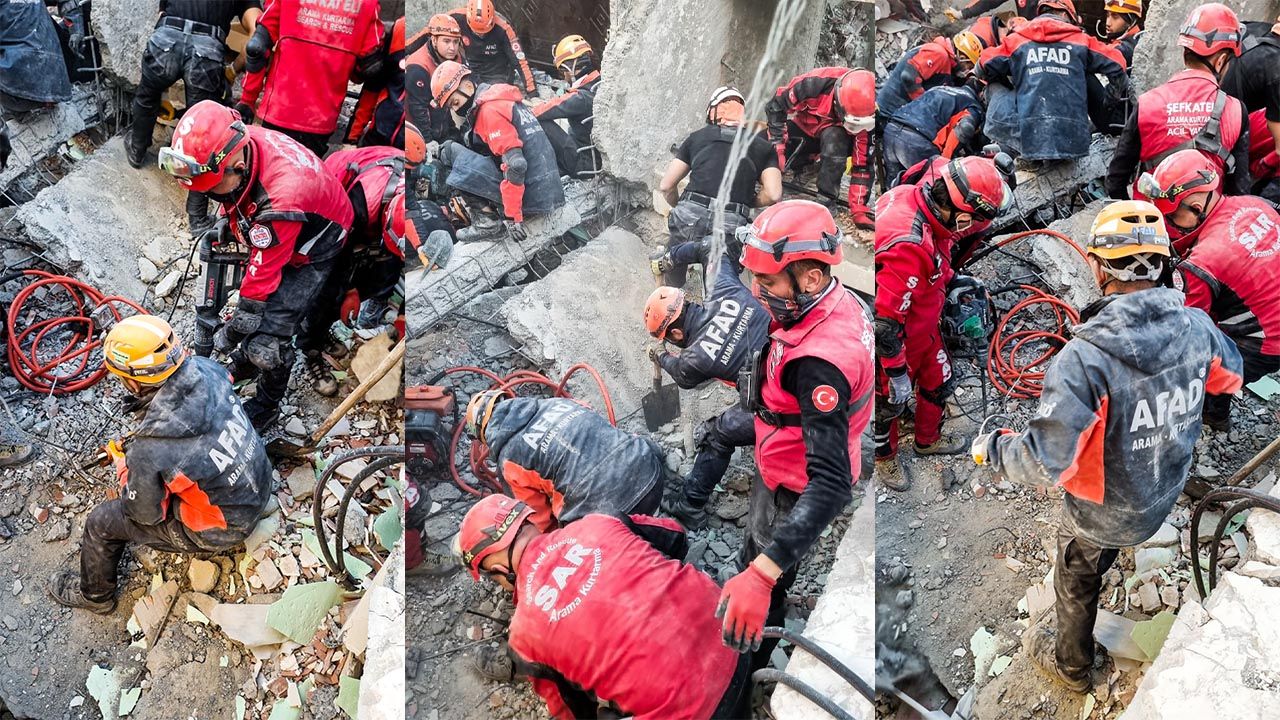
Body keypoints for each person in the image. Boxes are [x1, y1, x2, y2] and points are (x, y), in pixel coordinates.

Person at [970, 200, 1243, 693]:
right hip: (1161, 495)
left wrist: (993, 449)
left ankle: (1072, 667)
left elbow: (1042, 460)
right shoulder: (1199, 329)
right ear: (1164, 264)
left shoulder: (1085, 362)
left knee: (1076, 579)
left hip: (1102, 514)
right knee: (1098, 556)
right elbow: (1230, 378)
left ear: (1097, 266)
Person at [719, 200, 873, 669]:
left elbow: (831, 484)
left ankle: (754, 649)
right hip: (783, 449)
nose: (756, 293)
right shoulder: (832, 304)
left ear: (809, 277)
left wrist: (763, 576)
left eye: (766, 283)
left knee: (766, 559)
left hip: (797, 480)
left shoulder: (818, 368)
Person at [49, 315, 274, 613]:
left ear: (133, 379)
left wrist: (124, 466)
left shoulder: (151, 447)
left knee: (101, 522)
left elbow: (145, 513)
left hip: (225, 527)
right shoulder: (207, 369)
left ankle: (96, 598)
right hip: (259, 484)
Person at [455, 495, 751, 718]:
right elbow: (675, 535)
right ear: (528, 520)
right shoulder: (597, 522)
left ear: (496, 569)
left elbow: (569, 710)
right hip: (739, 641)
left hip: (699, 712)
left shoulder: (524, 635)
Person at [159, 100, 353, 428]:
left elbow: (260, 281)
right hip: (283, 212)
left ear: (235, 163)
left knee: (268, 340)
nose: (212, 197)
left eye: (214, 190)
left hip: (316, 243)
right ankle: (239, 361)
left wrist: (234, 332)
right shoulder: (236, 139)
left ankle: (267, 406)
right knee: (215, 244)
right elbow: (236, 198)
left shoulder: (280, 201)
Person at [874, 157, 1011, 490]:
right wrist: (894, 374)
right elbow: (884, 327)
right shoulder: (907, 245)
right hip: (898, 346)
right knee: (887, 405)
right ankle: (885, 457)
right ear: (963, 217)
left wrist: (951, 279)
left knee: (939, 381)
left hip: (925, 326)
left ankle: (926, 439)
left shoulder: (923, 200)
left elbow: (939, 256)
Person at [1140, 149, 1280, 429]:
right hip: (1270, 313)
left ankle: (1213, 415)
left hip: (1268, 344)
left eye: (1171, 218)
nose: (1169, 227)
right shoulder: (1255, 203)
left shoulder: (1201, 265)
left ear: (1195, 207)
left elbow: (1190, 332)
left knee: (1203, 365)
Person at [643, 240, 769, 528]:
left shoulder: (694, 359)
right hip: (795, 361)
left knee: (717, 434)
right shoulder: (722, 287)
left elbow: (681, 374)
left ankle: (690, 505)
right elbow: (708, 247)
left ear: (675, 334)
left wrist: (659, 356)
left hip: (781, 405)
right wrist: (671, 257)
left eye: (667, 339)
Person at [126, 0, 263, 238]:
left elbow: (162, 11)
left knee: (147, 97)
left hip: (166, 40)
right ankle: (197, 217)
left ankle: (137, 149)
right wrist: (232, 70)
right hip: (206, 51)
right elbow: (257, 33)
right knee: (204, 133)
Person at [461, 393, 668, 532]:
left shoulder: (510, 460)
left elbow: (539, 522)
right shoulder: (556, 402)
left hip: (613, 515)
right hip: (651, 473)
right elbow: (596, 425)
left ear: (483, 433)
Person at [1106, 3, 1248, 200]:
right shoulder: (1235, 110)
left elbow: (1115, 179)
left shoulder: (1148, 103)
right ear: (1221, 61)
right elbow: (1239, 191)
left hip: (1152, 220)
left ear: (1185, 52)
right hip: (1206, 220)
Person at [302, 145, 407, 396]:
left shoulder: (423, 218)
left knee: (384, 278)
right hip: (341, 197)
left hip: (379, 217)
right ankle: (311, 348)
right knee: (327, 293)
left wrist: (403, 316)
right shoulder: (362, 202)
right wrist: (347, 291)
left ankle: (330, 324)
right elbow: (337, 257)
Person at [659, 85, 782, 286]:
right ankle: (713, 307)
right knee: (719, 284)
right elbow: (774, 194)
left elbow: (666, 185)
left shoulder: (697, 137)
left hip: (691, 214)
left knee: (675, 262)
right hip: (731, 222)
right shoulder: (762, 147)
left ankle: (672, 299)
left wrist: (679, 205)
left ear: (712, 111)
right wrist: (748, 201)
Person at [429, 61, 564, 242]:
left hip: (532, 199)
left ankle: (488, 223)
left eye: (455, 102)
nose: (456, 109)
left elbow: (516, 164)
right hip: (548, 189)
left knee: (451, 151)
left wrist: (512, 216)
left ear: (468, 86)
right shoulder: (504, 100)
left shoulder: (489, 110)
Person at [978, 0, 1129, 162]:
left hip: (1031, 141)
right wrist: (1110, 97)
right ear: (1065, 15)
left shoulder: (1016, 40)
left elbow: (982, 65)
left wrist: (1022, 73)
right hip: (1074, 142)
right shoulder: (1081, 40)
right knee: (1085, 75)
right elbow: (1118, 65)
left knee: (993, 80)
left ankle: (1014, 140)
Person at [239, 0, 383, 157]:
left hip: (278, 109)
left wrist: (248, 100)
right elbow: (369, 68)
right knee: (306, 177)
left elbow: (258, 47)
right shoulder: (368, 4)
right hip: (320, 121)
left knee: (268, 173)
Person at [766, 68, 876, 228]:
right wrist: (777, 148)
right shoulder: (813, 84)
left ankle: (826, 199)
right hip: (805, 128)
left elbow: (863, 166)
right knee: (762, 144)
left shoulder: (866, 118)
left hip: (836, 139)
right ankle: (804, 166)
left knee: (834, 138)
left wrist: (859, 209)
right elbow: (776, 106)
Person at [0, 0, 78, 173]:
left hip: (21, 94)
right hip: (58, 83)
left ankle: (18, 112)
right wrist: (75, 20)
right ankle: (37, 102)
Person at [883, 81, 985, 184]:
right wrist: (945, 163)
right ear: (981, 94)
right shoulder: (972, 105)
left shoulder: (939, 88)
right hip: (916, 141)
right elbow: (964, 129)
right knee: (929, 188)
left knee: (894, 187)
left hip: (891, 128)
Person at [533, 34, 600, 179]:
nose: (564, 77)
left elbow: (542, 111)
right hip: (594, 158)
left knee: (538, 121)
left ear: (571, 68)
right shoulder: (597, 84)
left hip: (585, 166)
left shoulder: (580, 98)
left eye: (563, 72)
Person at [876, 33, 979, 119]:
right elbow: (909, 77)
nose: (967, 70)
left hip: (896, 110)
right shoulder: (939, 53)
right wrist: (924, 106)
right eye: (969, 65)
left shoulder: (946, 61)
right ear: (962, 57)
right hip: (890, 110)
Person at [448, 0, 534, 95]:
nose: (481, 34)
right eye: (477, 31)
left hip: (498, 74)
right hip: (471, 68)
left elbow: (520, 60)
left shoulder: (504, 28)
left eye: (484, 30)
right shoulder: (455, 17)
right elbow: (434, 28)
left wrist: (532, 91)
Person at [404, 13, 466, 145]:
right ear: (434, 40)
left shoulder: (457, 59)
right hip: (417, 131)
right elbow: (418, 109)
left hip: (443, 120)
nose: (452, 47)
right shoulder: (418, 66)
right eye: (446, 41)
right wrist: (427, 141)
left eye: (456, 42)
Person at [346, 16, 406, 148]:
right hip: (379, 138)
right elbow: (372, 88)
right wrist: (352, 140)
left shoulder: (454, 45)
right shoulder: (399, 30)